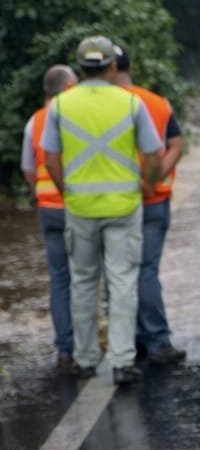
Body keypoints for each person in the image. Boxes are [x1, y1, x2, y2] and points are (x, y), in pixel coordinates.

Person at [41, 36, 164, 386]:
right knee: (122, 282)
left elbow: (50, 158)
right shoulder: (131, 103)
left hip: (79, 207)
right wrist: (147, 186)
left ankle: (84, 358)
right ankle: (122, 361)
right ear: (112, 66)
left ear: (80, 67)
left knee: (82, 281)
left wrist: (68, 191)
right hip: (124, 205)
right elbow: (153, 155)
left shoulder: (60, 105)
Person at [111, 45, 187, 366]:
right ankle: (157, 340)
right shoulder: (156, 101)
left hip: (115, 201)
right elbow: (176, 144)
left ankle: (131, 341)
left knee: (118, 272)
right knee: (147, 270)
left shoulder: (103, 104)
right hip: (155, 200)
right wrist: (154, 180)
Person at [20, 64, 78, 372]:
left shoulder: (35, 121)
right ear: (67, 87)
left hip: (47, 208)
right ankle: (88, 347)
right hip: (77, 206)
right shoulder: (74, 116)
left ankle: (65, 348)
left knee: (59, 279)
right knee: (85, 278)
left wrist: (38, 194)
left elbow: (28, 168)